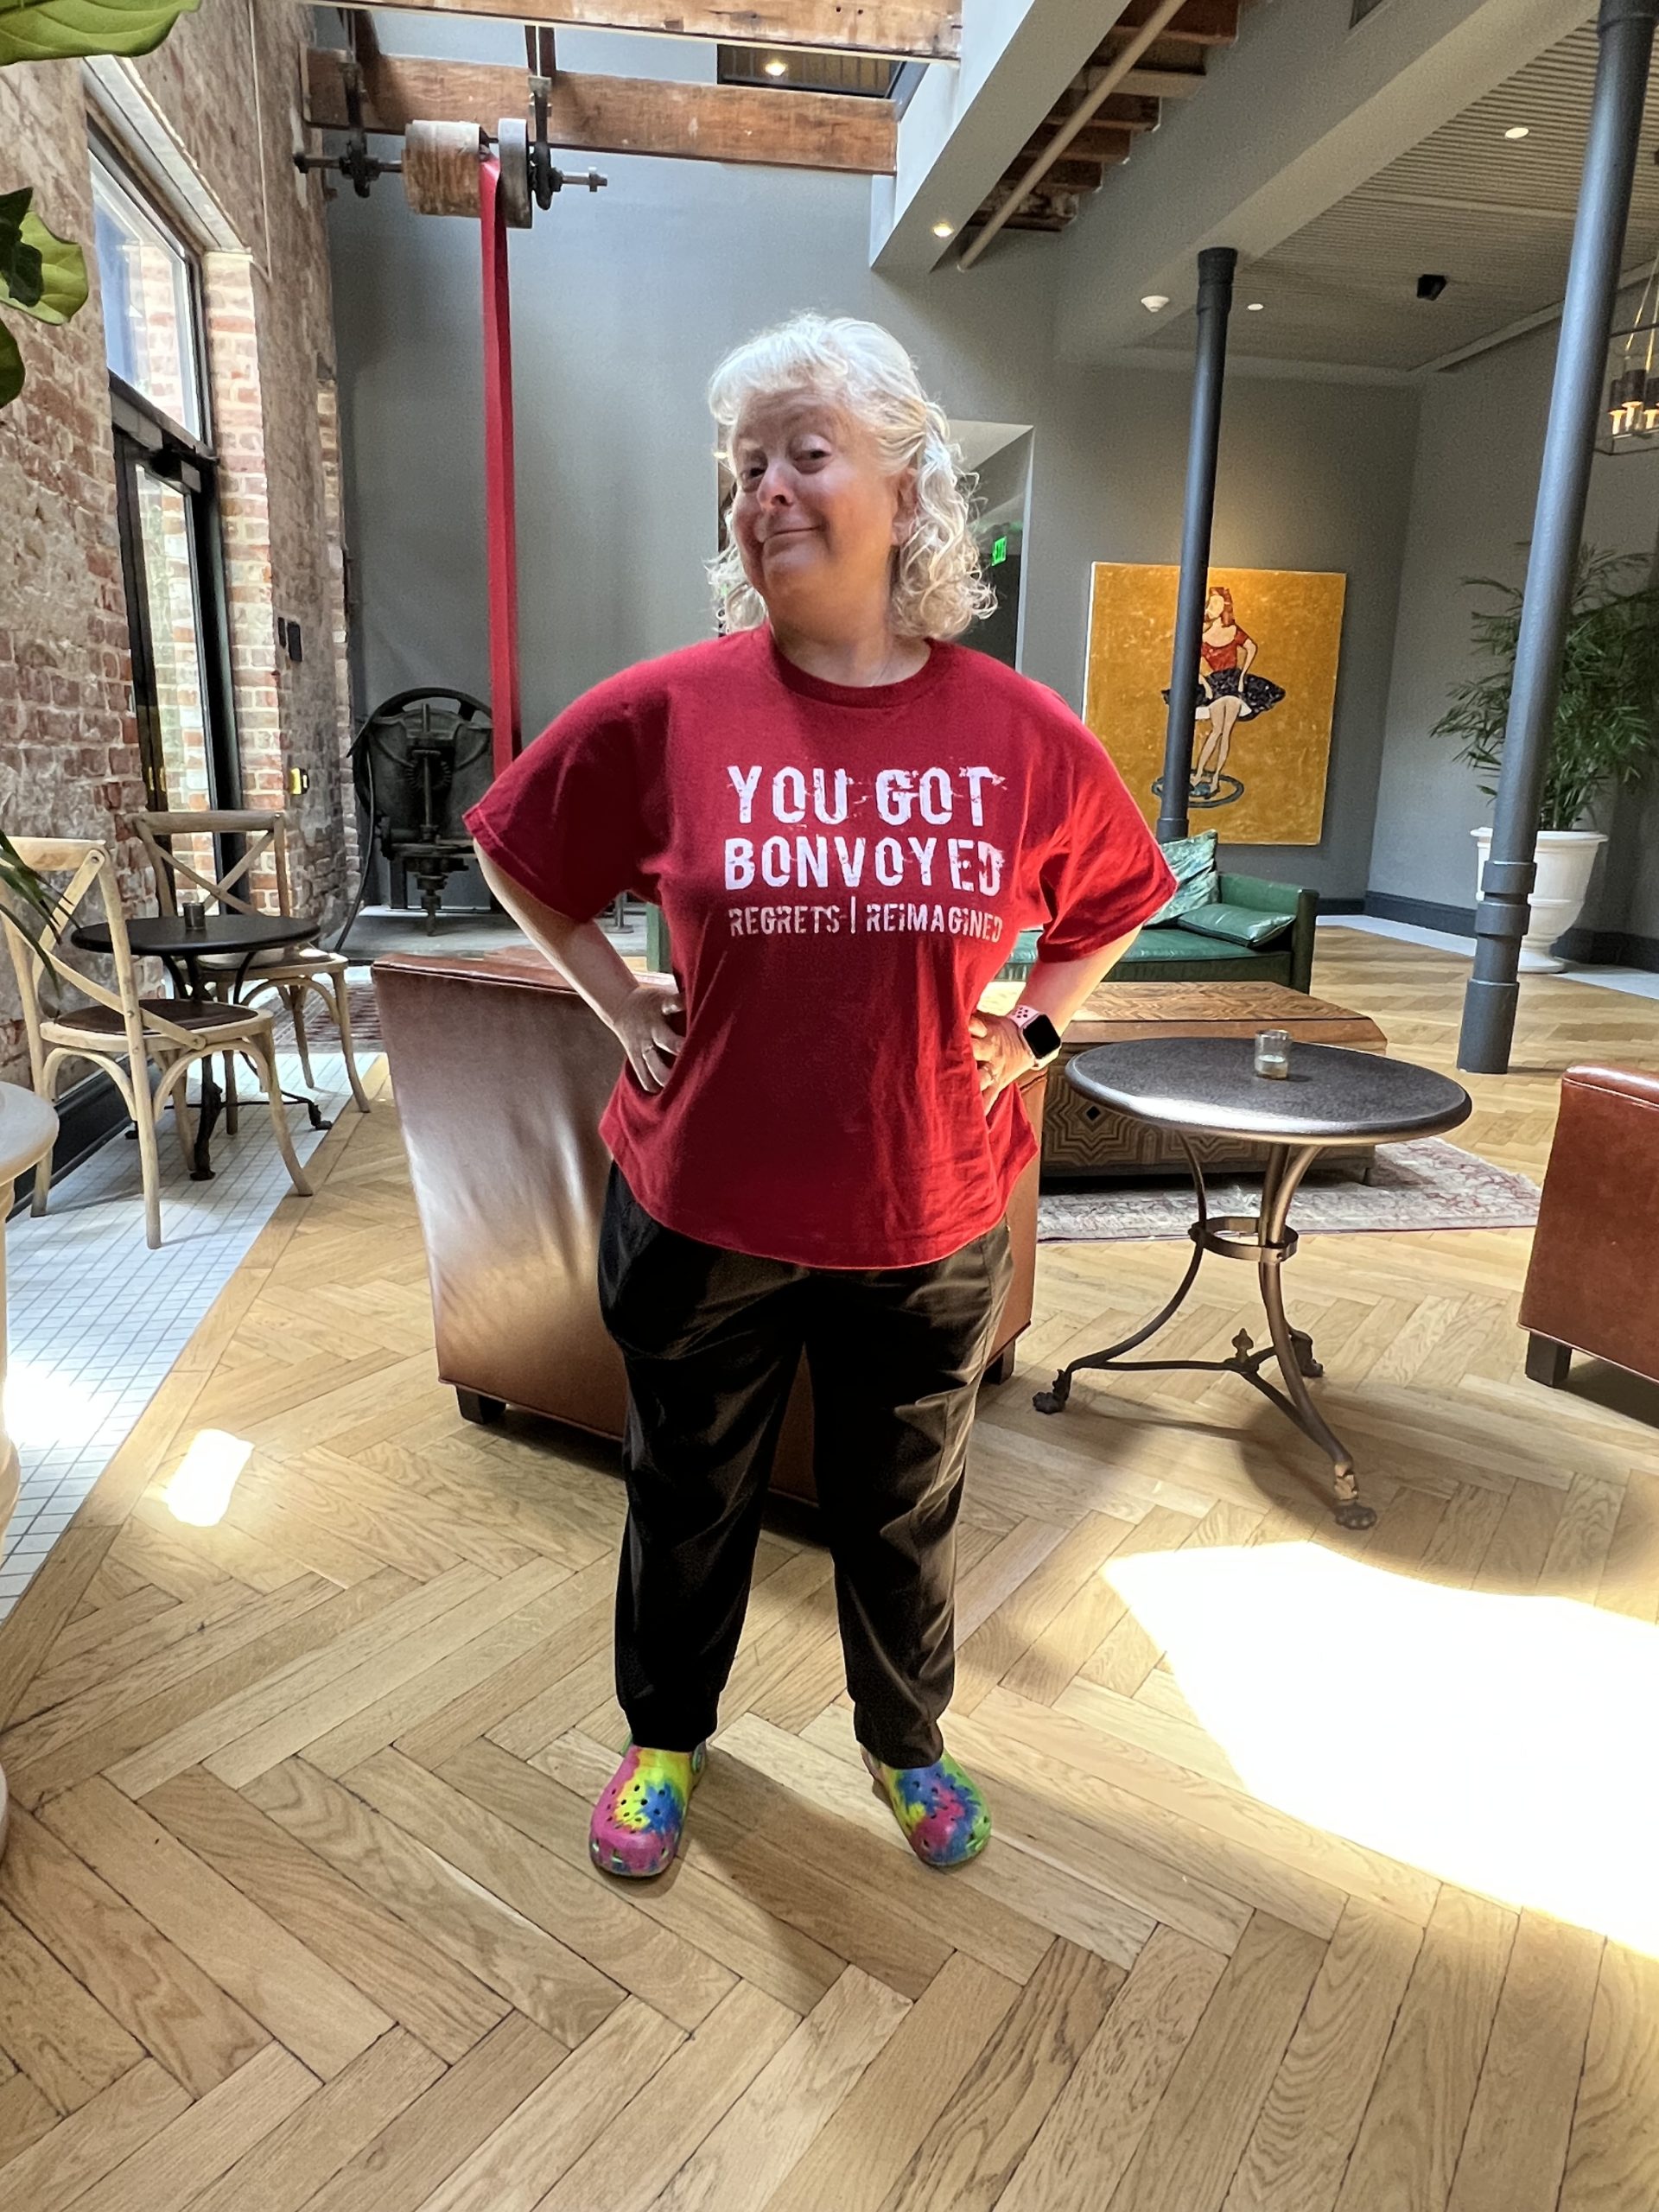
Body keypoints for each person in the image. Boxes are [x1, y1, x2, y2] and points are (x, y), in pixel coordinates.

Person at [466, 314, 1174, 1881]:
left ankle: (905, 1741)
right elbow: (514, 849)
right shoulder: (672, 711)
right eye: (743, 466)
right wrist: (610, 994)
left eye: (804, 452)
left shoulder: (1016, 732)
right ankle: (664, 1739)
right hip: (702, 1199)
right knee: (686, 1493)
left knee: (902, 1501)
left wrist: (1041, 1031)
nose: (765, 491)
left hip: (926, 1207)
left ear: (908, 486)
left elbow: (1122, 891)